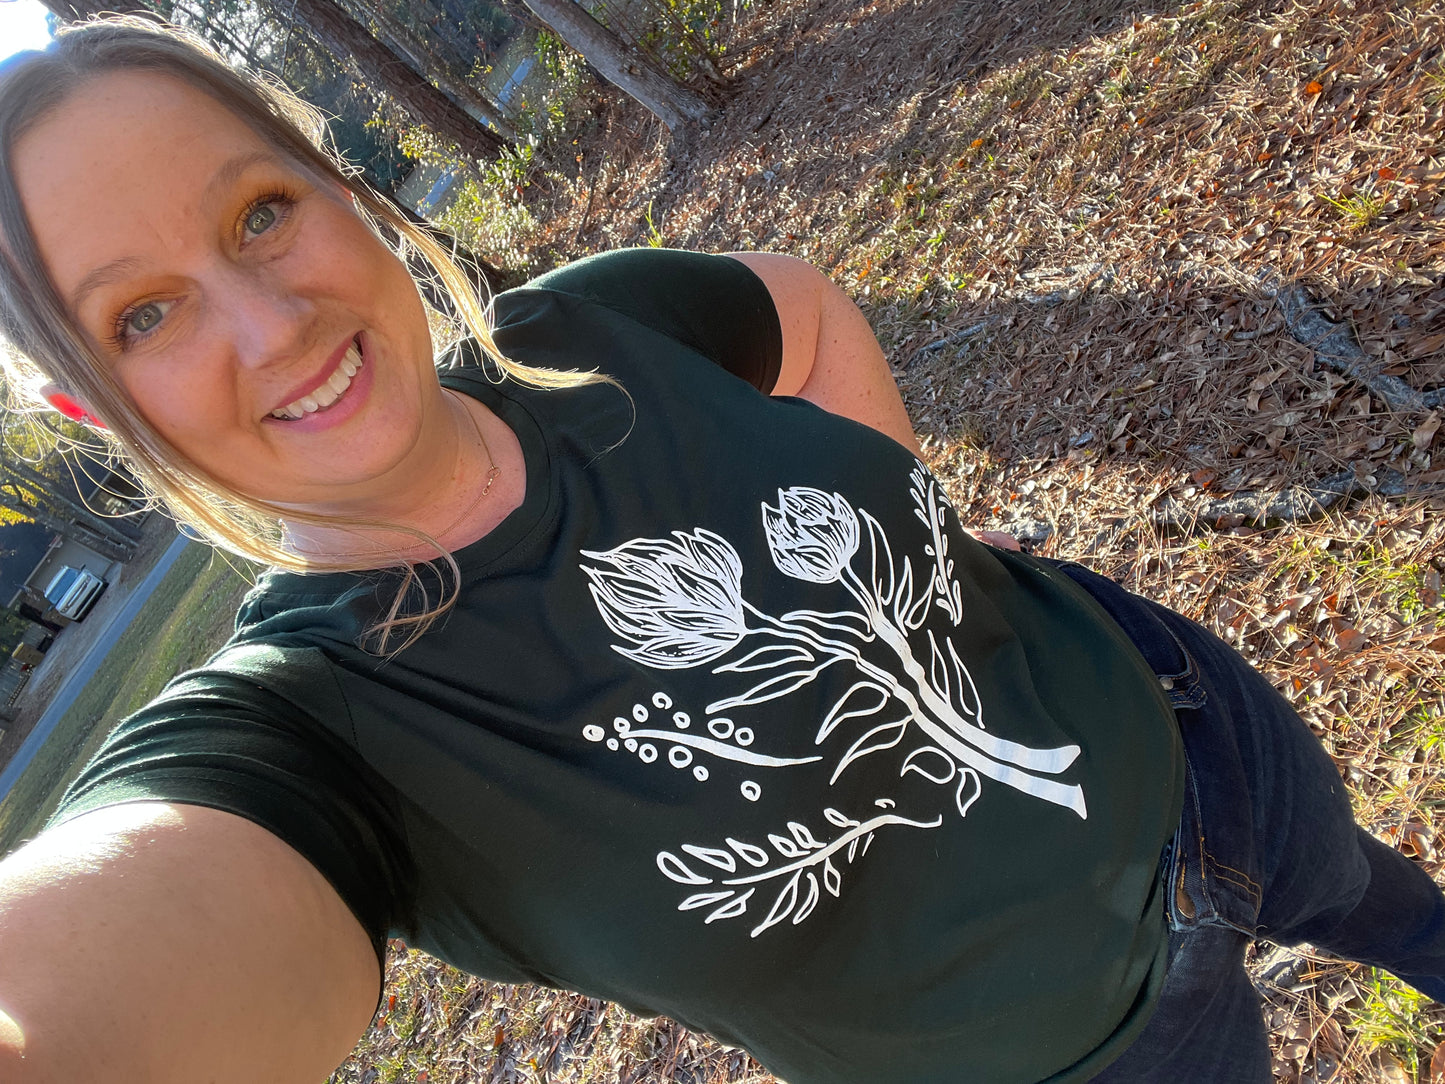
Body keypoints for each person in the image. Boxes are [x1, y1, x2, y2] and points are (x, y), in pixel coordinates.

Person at [0, 18, 1440, 1084]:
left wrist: (918, 514)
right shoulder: (301, 734)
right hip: (1109, 1053)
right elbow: (108, 977)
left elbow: (802, 309)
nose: (272, 323)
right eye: (144, 315)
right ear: (86, 403)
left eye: (261, 212)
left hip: (1201, 740)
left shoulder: (588, 332)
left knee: (1392, 909)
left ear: (337, 188)